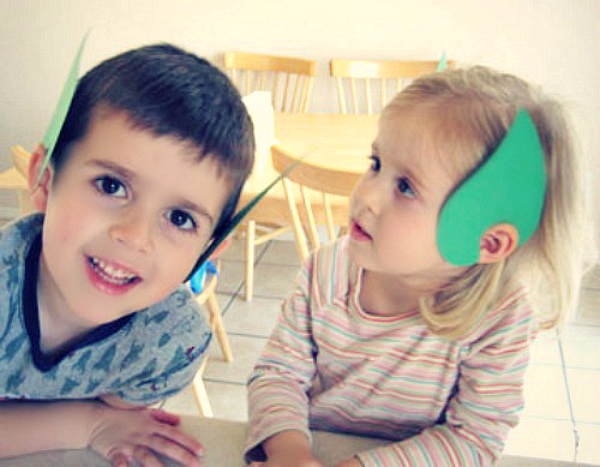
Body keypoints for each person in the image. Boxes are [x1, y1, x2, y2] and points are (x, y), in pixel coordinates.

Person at [245, 66, 592, 466]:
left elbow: (473, 439)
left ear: (487, 241)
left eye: (406, 186)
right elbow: (278, 374)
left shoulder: (501, 317)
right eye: (375, 164)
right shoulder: (324, 272)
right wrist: (290, 451)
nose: (366, 196)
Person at [0, 43, 254, 466]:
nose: (135, 237)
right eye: (111, 186)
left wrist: (96, 425)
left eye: (179, 217)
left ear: (207, 251)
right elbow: (99, 424)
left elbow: (111, 431)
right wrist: (87, 424)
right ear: (44, 179)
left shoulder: (171, 344)